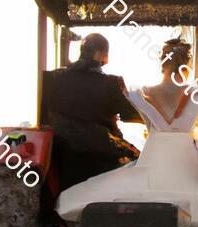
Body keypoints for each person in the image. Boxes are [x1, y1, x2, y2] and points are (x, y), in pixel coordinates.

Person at [55, 38, 198, 227]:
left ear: (162, 63)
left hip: (152, 164)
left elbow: (128, 115)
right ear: (187, 64)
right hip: (188, 170)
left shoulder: (140, 94)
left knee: (77, 197)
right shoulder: (197, 95)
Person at [48, 32, 142, 190]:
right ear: (101, 55)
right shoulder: (112, 83)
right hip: (100, 157)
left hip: (65, 155)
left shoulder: (57, 77)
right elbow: (129, 114)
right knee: (139, 161)